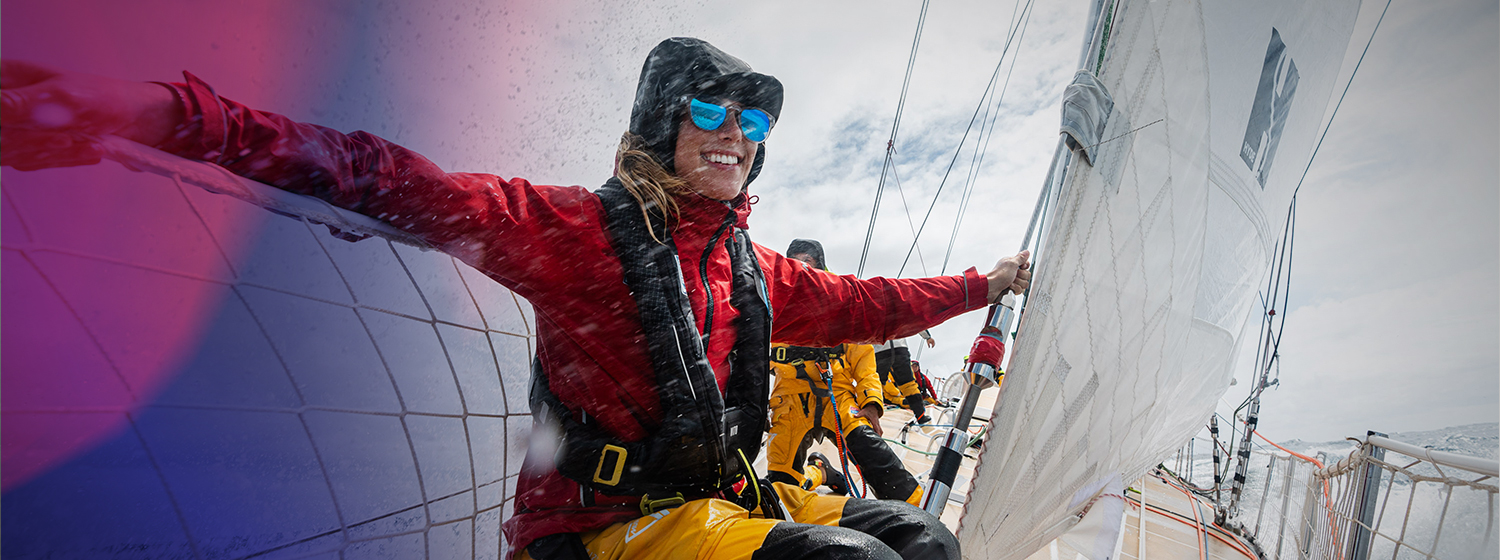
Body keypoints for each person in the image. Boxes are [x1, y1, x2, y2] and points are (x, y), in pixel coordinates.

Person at [1, 37, 1030, 560]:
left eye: (753, 117)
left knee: (926, 541)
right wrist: (163, 116)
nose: (736, 132)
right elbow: (386, 177)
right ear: (661, 124)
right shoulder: (572, 230)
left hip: (722, 503)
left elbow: (871, 302)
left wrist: (984, 283)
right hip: (607, 528)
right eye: (711, 109)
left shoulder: (751, 266)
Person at [767, 239, 924, 506]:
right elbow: (754, 362)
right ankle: (820, 473)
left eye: (808, 266)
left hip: (837, 397)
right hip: (790, 401)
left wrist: (872, 402)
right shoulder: (774, 307)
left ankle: (917, 514)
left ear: (822, 268)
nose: (802, 273)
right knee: (781, 492)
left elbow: (864, 360)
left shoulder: (840, 305)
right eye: (795, 266)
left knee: (885, 469)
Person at [875, 332, 933, 422]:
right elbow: (916, 318)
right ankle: (920, 415)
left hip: (881, 349)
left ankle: (872, 415)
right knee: (908, 384)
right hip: (898, 348)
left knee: (876, 383)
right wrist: (927, 337)